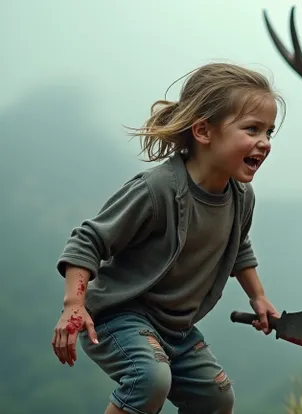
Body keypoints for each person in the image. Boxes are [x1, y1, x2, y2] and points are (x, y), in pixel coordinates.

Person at [51, 62, 286, 414]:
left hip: (176, 329)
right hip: (119, 317)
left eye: (269, 132)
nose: (264, 143)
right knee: (149, 379)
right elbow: (88, 241)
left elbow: (238, 246)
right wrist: (74, 305)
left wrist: (259, 296)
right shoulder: (157, 189)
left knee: (216, 397)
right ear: (204, 131)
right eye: (252, 129)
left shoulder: (240, 198)